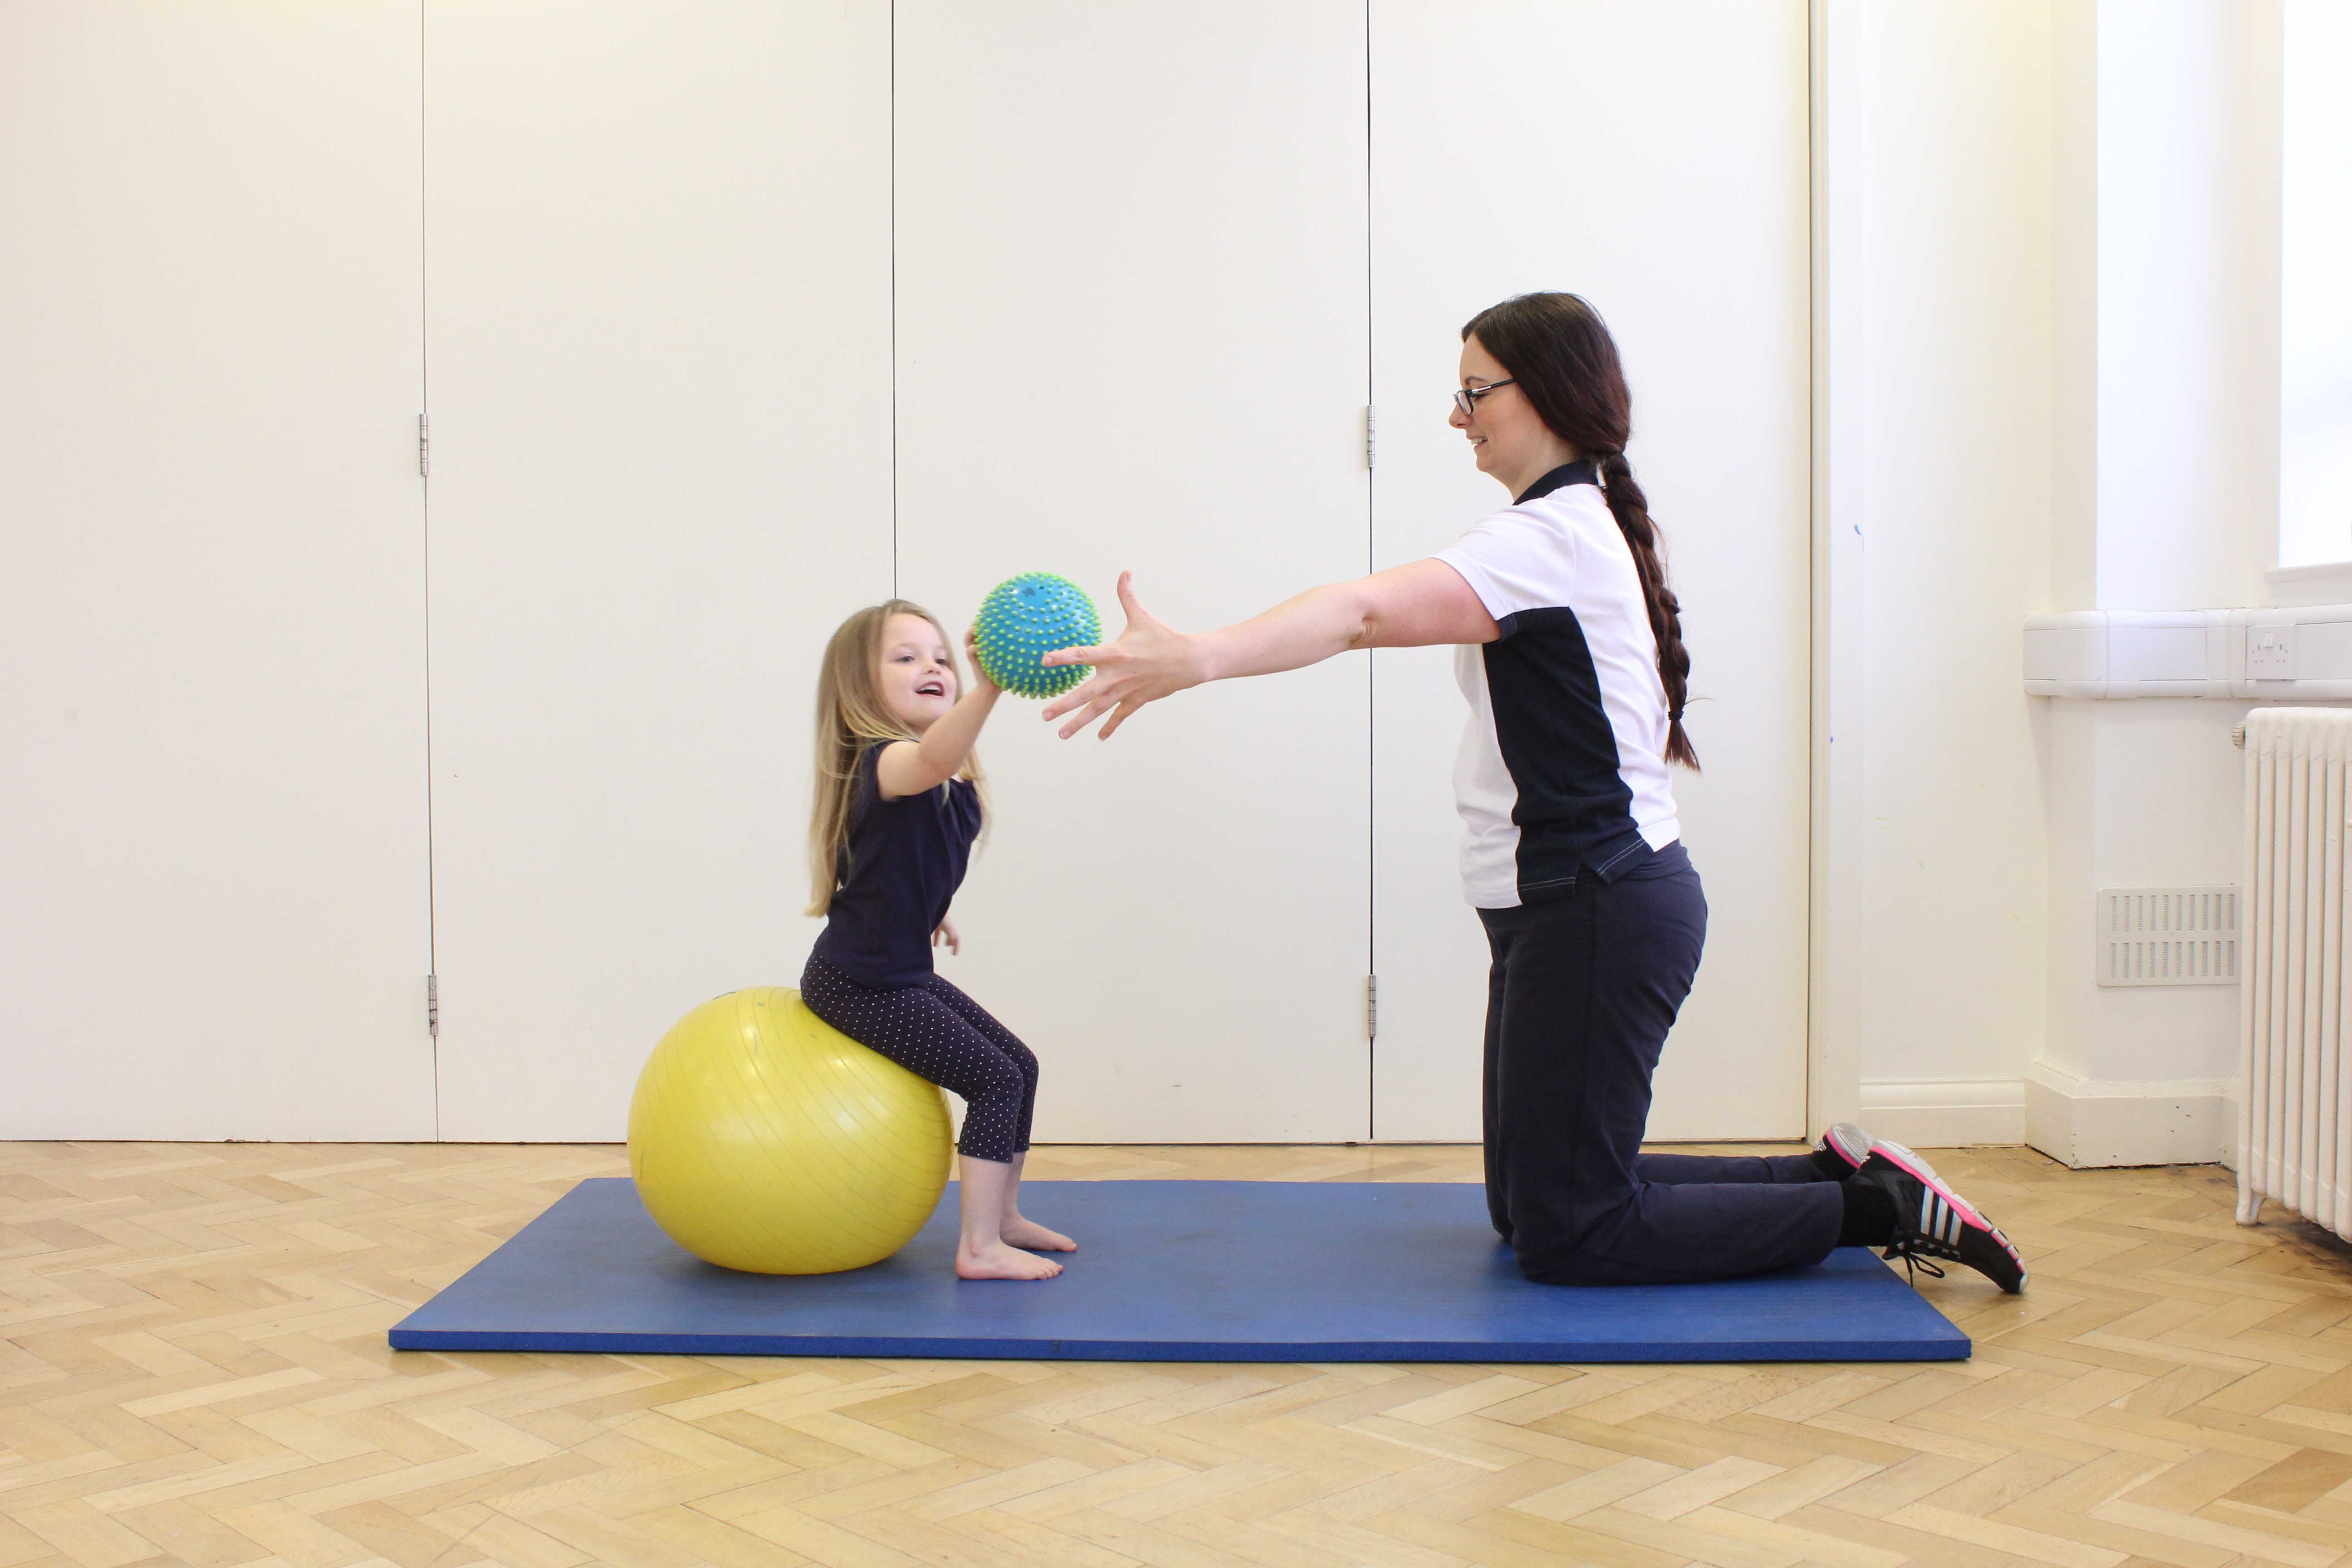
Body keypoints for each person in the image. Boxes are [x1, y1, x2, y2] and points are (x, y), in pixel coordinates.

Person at [1040, 292, 2024, 1293]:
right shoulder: (1566, 526)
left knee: (1572, 1235)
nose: (1458, 418)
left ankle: (1874, 1210)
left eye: (1475, 392)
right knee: (1530, 1208)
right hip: (1564, 908)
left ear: (1545, 392)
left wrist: (1201, 656)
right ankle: (1832, 1174)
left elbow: (1363, 614)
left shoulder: (1550, 537)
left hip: (1598, 904)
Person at [802, 599, 1073, 1281]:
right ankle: (978, 1247)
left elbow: (904, 862)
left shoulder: (951, 784)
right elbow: (928, 758)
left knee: (1022, 1064)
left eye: (942, 657)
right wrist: (991, 685)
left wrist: (931, 911)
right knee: (994, 1079)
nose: (934, 667)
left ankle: (1003, 1218)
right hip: (858, 985)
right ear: (860, 686)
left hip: (898, 971)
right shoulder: (886, 761)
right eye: (907, 656)